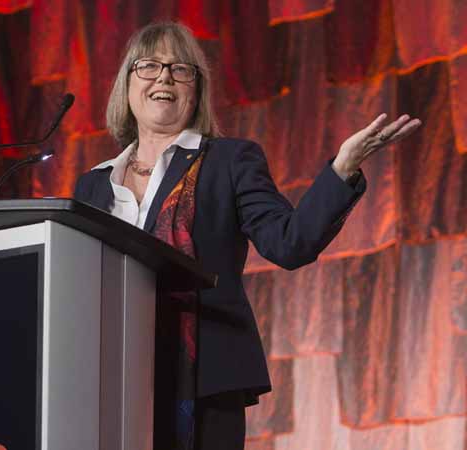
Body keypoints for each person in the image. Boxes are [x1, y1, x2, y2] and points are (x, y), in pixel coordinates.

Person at [72, 21, 421, 450]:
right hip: (112, 383)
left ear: (196, 91)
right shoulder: (92, 185)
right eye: (148, 66)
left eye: (180, 69)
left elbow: (289, 242)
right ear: (127, 85)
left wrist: (342, 170)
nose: (163, 76)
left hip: (204, 381)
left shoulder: (229, 161)